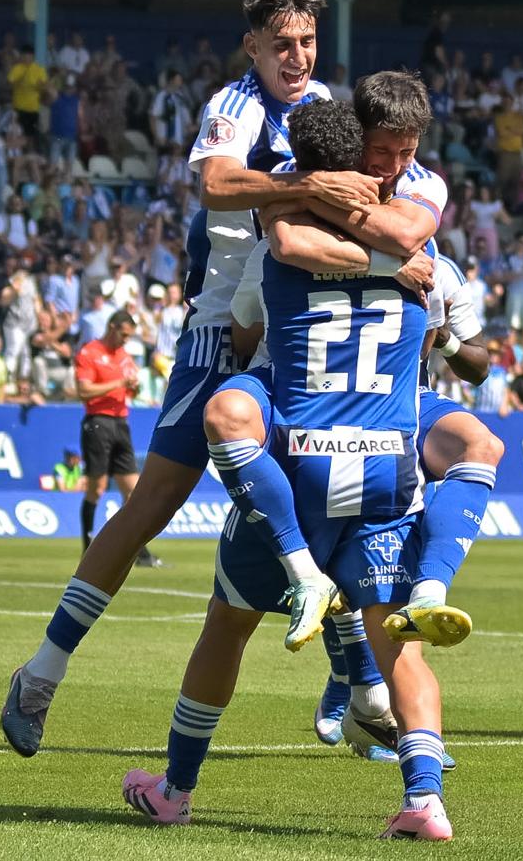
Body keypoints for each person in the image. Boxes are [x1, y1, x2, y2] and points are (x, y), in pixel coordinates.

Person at [0, 0, 381, 757]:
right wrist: (307, 183)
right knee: (150, 508)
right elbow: (211, 184)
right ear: (253, 46)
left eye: (307, 41)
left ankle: (362, 689)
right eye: (282, 44)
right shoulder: (234, 106)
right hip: (222, 331)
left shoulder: (329, 105)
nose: (297, 56)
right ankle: (40, 674)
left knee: (332, 504)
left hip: (303, 335)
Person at [121, 97, 453, 841]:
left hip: (300, 463)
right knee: (398, 642)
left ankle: (174, 788)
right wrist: (397, 265)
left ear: (301, 167)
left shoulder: (280, 238)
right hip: (385, 473)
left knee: (226, 625)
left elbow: (244, 331)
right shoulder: (429, 259)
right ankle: (426, 798)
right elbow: (443, 336)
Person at [70, 310, 146, 553]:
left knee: (134, 492)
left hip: (121, 422)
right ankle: (88, 545)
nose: (125, 340)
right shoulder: (89, 352)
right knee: (97, 488)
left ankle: (136, 549)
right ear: (112, 327)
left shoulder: (124, 356)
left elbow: (132, 391)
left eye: (129, 337)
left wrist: (134, 386)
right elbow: (84, 391)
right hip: (98, 422)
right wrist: (120, 383)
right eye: (123, 335)